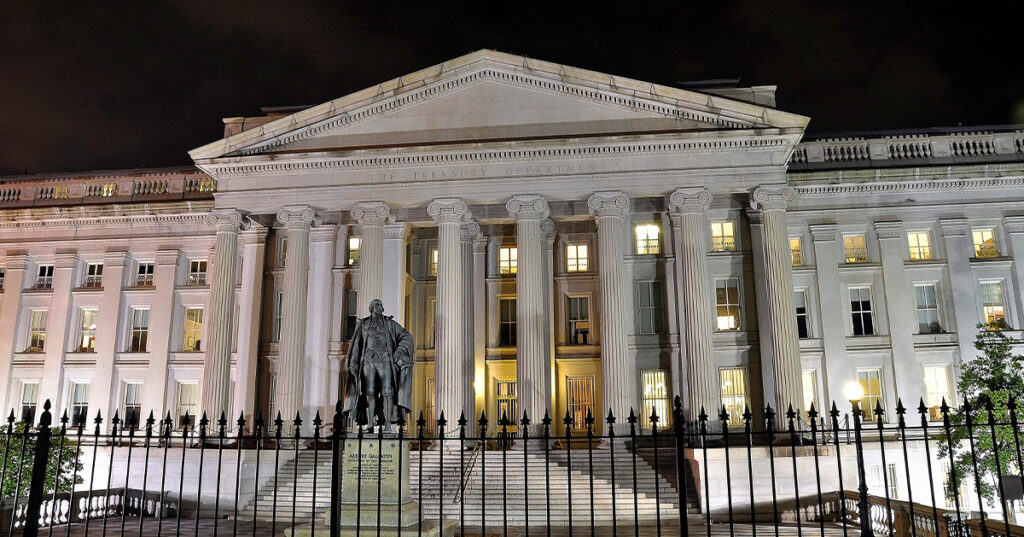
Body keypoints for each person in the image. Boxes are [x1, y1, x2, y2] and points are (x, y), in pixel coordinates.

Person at [343, 299, 414, 432]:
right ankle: (370, 424)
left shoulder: (389, 324)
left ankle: (387, 425)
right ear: (371, 308)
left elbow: (406, 336)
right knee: (369, 392)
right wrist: (354, 362)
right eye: (377, 305)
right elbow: (357, 345)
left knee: (387, 392)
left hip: (385, 360)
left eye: (381, 304)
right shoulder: (364, 325)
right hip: (368, 360)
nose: (380, 307)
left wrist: (398, 352)